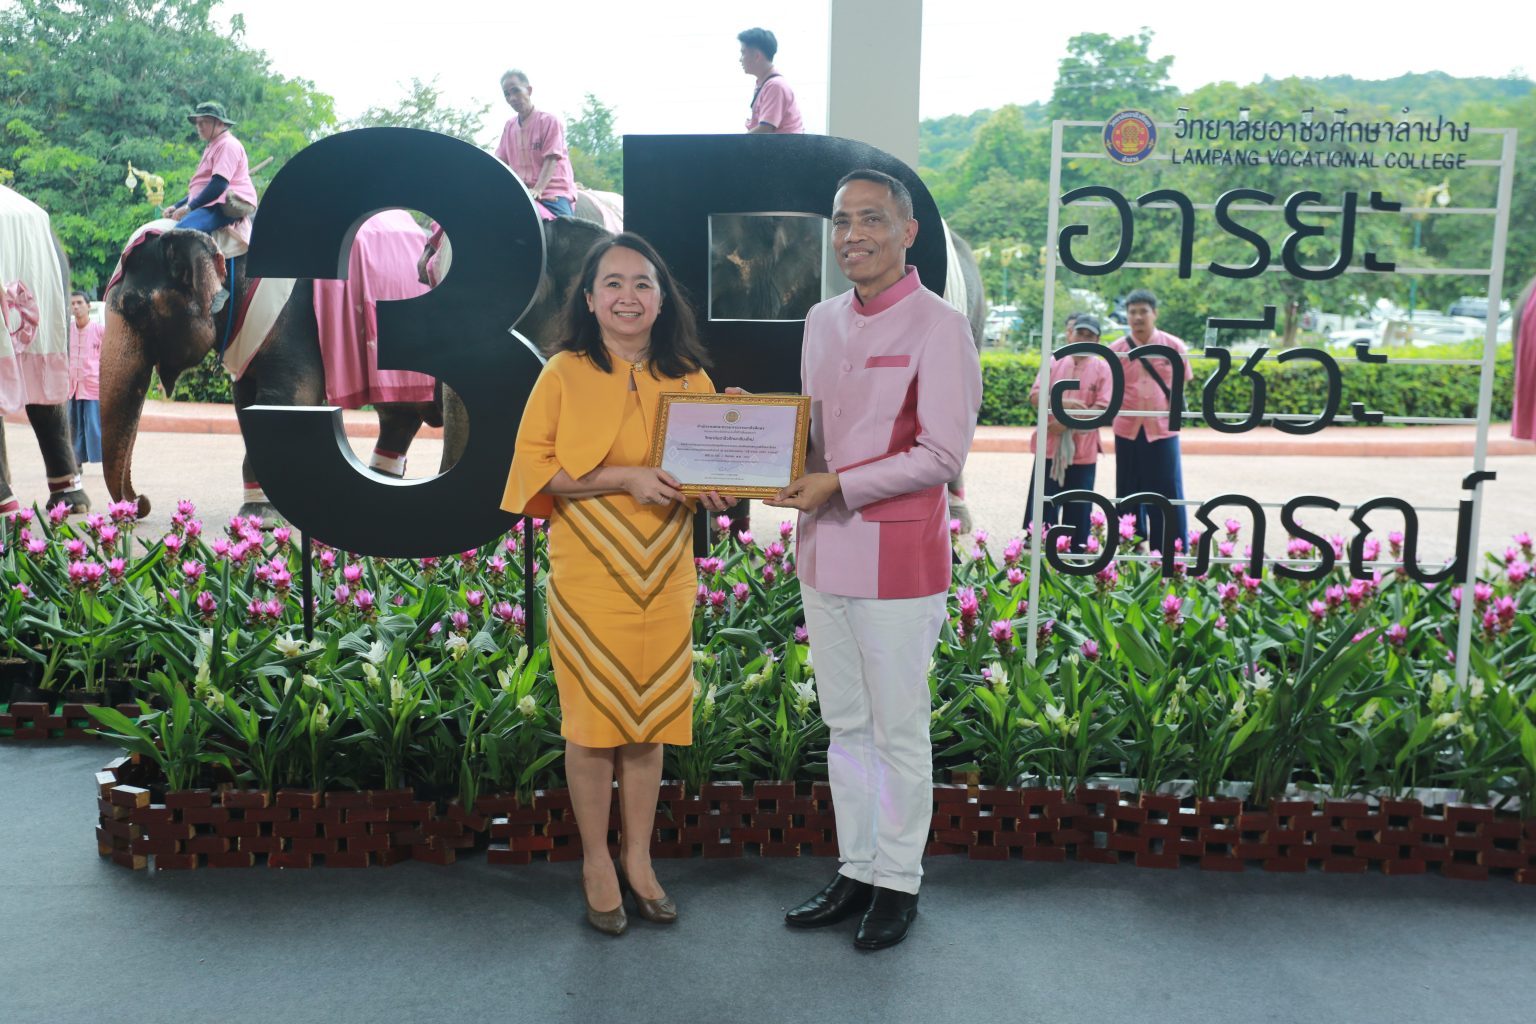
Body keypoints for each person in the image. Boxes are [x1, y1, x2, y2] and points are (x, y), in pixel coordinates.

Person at [767, 170, 981, 950]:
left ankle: (898, 881)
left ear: (908, 231)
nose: (852, 235)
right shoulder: (820, 320)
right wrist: (763, 452)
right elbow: (812, 435)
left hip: (898, 562)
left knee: (897, 730)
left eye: (871, 219)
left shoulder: (939, 327)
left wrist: (839, 484)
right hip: (823, 554)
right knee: (846, 725)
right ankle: (856, 868)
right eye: (841, 221)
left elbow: (942, 454)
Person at [502, 233, 731, 936]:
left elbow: (709, 476)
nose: (628, 297)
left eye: (642, 284)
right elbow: (534, 469)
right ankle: (597, 861)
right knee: (594, 723)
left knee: (649, 718)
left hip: (665, 572)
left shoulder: (692, 379)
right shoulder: (561, 373)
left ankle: (639, 858)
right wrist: (623, 477)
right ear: (589, 298)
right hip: (590, 570)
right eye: (613, 283)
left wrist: (727, 469)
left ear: (662, 300)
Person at [1110, 288, 1192, 550]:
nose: (1137, 317)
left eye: (1143, 311)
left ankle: (1171, 547)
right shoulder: (1117, 350)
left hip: (1163, 428)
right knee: (1128, 488)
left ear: (1154, 313)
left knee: (1168, 488)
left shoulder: (1174, 346)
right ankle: (1131, 543)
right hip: (1127, 428)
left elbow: (1183, 382)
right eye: (1132, 312)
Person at [1024, 314, 1113, 550]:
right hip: (1050, 447)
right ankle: (1038, 551)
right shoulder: (1054, 361)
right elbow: (1035, 396)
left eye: (1089, 336)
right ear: (1070, 335)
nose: (1083, 339)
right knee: (1043, 504)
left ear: (1097, 341)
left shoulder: (1103, 368)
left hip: (1082, 452)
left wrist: (1065, 421)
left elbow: (1103, 408)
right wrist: (1065, 404)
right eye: (1080, 333)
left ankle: (1076, 555)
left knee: (1079, 507)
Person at [164, 101, 258, 235]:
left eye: (204, 122)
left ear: (219, 123)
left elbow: (218, 185)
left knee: (180, 233)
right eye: (198, 122)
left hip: (219, 205)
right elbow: (203, 188)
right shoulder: (213, 145)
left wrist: (188, 208)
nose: (199, 126)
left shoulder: (228, 145)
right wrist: (177, 206)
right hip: (210, 202)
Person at [495, 70, 577, 218]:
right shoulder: (509, 126)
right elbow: (500, 162)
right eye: (507, 94)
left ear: (529, 90)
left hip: (551, 191)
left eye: (516, 91)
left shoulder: (549, 121)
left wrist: (538, 189)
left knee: (565, 226)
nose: (512, 98)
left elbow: (551, 159)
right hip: (521, 190)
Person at [739, 27, 804, 134]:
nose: (740, 59)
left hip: (783, 145)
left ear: (757, 56)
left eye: (743, 53)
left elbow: (765, 129)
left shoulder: (775, 86)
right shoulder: (764, 83)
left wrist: (737, 142)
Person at [67, 291, 103, 467]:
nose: (76, 307)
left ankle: (103, 459)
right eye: (72, 303)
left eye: (79, 303)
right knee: (73, 426)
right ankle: (76, 462)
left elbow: (108, 357)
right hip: (72, 386)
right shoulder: (68, 331)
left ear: (88, 306)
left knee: (94, 426)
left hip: (92, 385)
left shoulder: (99, 331)